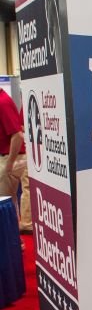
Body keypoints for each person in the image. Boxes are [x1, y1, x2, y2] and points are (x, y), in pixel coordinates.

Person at [0, 90, 30, 233]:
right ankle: (15, 242)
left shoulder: (3, 102)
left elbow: (17, 135)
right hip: (9, 156)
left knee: (5, 204)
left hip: (10, 158)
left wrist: (9, 164)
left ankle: (14, 244)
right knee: (9, 202)